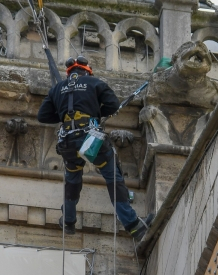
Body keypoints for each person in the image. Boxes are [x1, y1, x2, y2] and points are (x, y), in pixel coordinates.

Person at [37, 55, 153, 238]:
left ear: (69, 73)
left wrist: (63, 118)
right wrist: (95, 116)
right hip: (90, 139)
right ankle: (134, 225)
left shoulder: (56, 89)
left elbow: (42, 116)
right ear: (87, 71)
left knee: (73, 178)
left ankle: (68, 221)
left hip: (68, 143)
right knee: (112, 177)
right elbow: (113, 105)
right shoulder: (94, 83)